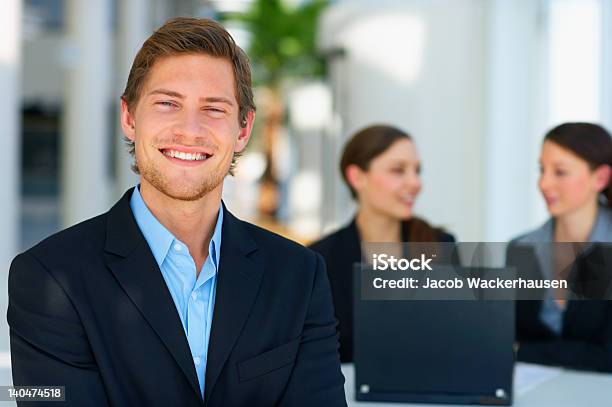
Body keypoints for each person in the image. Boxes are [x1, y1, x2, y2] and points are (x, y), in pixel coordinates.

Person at [8, 18, 346, 406]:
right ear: (130, 118)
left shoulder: (300, 277)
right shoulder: (48, 278)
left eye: (214, 108)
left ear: (243, 129)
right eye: (168, 103)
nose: (190, 129)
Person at [309, 125, 454, 363]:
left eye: (417, 171)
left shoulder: (441, 246)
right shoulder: (319, 260)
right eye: (398, 170)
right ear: (357, 177)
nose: (415, 182)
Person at [508, 122, 612, 372]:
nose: (544, 183)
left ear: (600, 178)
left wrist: (522, 350)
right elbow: (503, 338)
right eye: (542, 170)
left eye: (560, 172)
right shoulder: (522, 248)